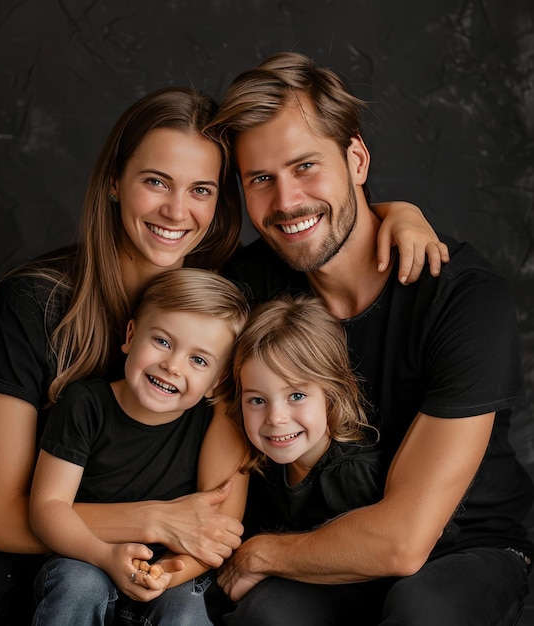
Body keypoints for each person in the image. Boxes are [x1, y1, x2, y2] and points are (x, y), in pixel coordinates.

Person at [0, 82, 444, 625]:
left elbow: (326, 224)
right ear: (115, 182)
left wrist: (401, 213)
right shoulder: (36, 301)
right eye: (155, 182)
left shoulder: (228, 297)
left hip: (178, 561)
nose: (176, 210)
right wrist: (157, 520)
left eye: (202, 190)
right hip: (54, 530)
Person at [208, 51, 534, 626]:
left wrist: (263, 551)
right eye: (261, 179)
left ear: (356, 158)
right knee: (266, 616)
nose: (286, 203)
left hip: (460, 547)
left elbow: (404, 542)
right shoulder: (246, 288)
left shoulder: (462, 297)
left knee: (423, 611)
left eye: (306, 165)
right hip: (321, 545)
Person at [29, 267, 250, 625]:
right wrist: (103, 556)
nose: (172, 365)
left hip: (168, 573)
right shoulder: (85, 404)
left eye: (198, 360)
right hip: (86, 558)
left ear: (216, 380)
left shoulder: (214, 422)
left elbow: (215, 535)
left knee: (185, 609)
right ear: (131, 335)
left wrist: (162, 575)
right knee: (79, 585)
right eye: (162, 341)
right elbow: (47, 507)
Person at [226, 294, 383, 536]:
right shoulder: (263, 464)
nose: (276, 418)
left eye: (296, 396)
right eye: (257, 400)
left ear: (332, 394)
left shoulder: (353, 475)